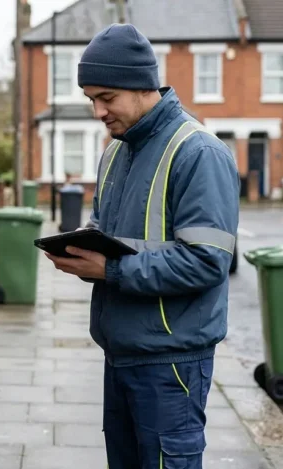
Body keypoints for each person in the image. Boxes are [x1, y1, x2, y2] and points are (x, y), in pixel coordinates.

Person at [43, 23, 239, 468]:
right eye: (91, 99)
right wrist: (81, 245)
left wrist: (110, 270)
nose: (98, 112)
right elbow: (107, 228)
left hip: (171, 364)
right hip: (122, 351)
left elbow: (207, 261)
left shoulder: (199, 152)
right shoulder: (116, 150)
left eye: (106, 98)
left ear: (139, 85)